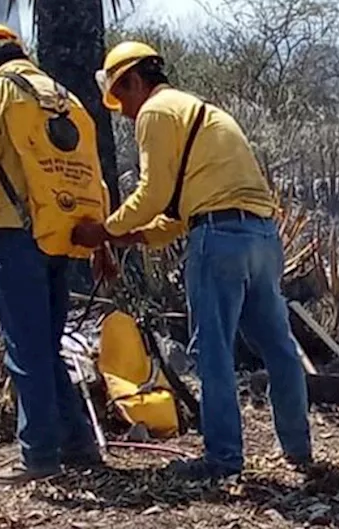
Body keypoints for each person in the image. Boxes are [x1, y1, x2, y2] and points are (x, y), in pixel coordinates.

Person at [71, 41, 312, 480]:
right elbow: (181, 213)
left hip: (218, 241)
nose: (124, 111)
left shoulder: (156, 113)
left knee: (213, 352)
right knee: (278, 346)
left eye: (121, 97)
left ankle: (222, 459)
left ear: (135, 81)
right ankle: (298, 448)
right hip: (260, 236)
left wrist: (105, 230)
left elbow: (153, 195)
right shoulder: (199, 112)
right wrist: (136, 237)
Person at [0, 23, 113, 484]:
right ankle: (78, 445)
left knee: (26, 351)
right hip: (67, 237)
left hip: (17, 238)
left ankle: (38, 456)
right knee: (47, 346)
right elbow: (95, 175)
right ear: (22, 52)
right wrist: (104, 245)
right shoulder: (65, 98)